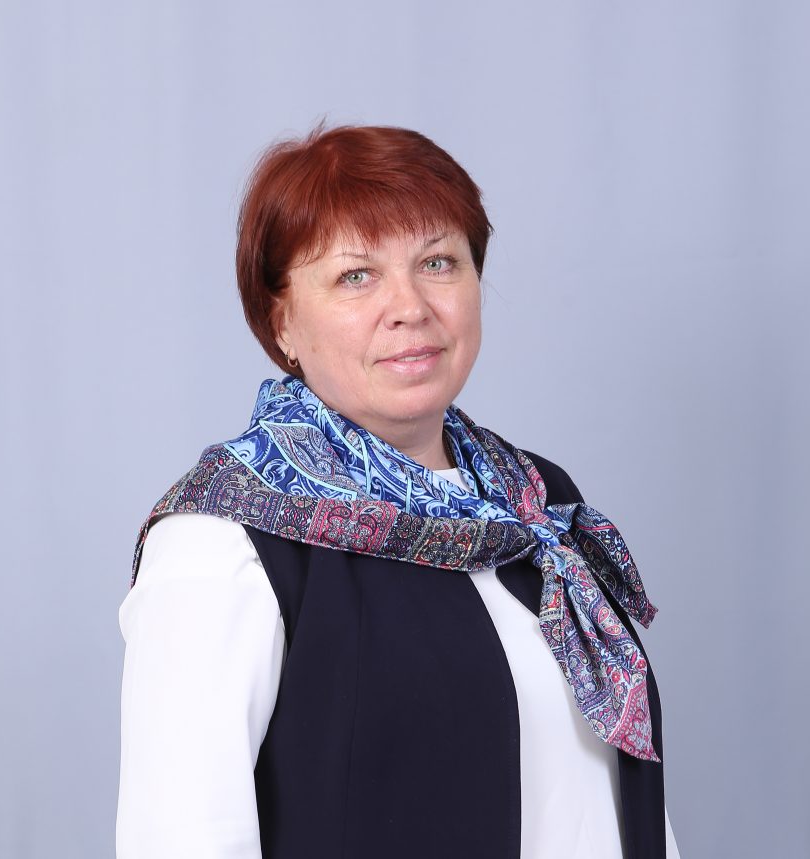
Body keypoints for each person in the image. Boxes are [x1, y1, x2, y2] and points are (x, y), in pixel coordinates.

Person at [116, 124, 680, 858]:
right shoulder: (225, 541)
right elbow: (183, 840)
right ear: (282, 321)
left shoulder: (537, 502)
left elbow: (608, 795)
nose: (409, 306)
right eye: (356, 276)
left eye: (437, 262)